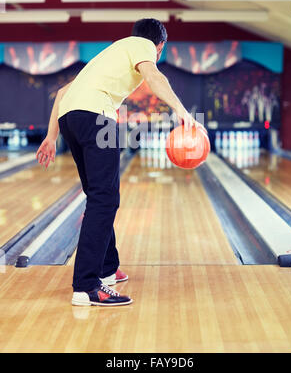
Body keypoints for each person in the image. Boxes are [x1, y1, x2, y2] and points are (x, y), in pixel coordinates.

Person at [36, 18, 205, 307]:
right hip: (98, 117)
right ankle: (87, 287)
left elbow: (63, 93)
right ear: (160, 46)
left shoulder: (112, 52)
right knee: (105, 199)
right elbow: (154, 78)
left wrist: (51, 137)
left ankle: (107, 268)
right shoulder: (144, 47)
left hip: (70, 119)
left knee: (98, 195)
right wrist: (182, 112)